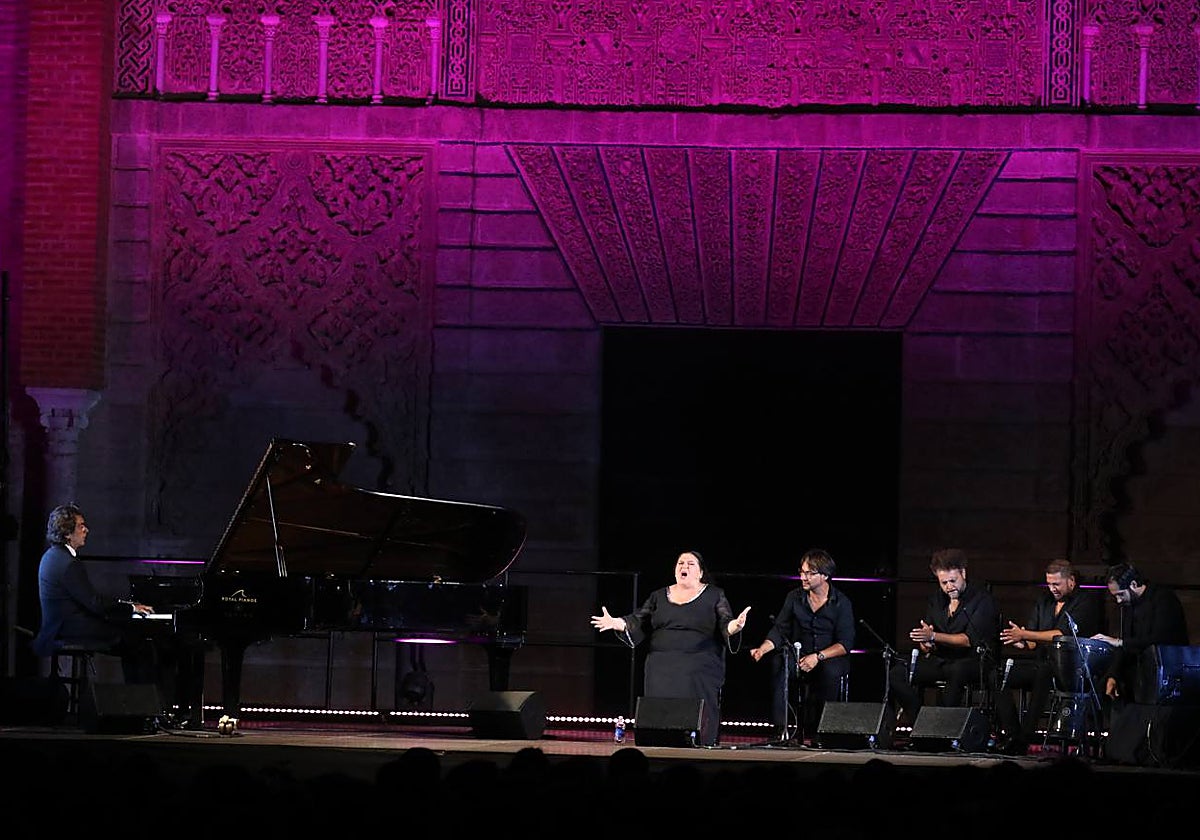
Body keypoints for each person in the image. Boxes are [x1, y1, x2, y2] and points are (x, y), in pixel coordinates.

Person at [31, 503, 204, 726]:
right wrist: (130, 608)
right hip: (72, 627)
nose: (86, 530)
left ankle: (145, 710)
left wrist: (123, 607)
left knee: (134, 640)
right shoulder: (68, 563)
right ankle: (146, 711)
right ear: (66, 532)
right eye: (81, 526)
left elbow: (89, 599)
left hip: (64, 625)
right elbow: (94, 603)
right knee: (139, 644)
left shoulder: (52, 557)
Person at [591, 550, 750, 746]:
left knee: (694, 675)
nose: (684, 566)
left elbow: (726, 623)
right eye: (680, 563)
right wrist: (619, 623)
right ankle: (659, 737)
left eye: (690, 564)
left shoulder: (714, 595)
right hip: (661, 661)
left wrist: (736, 626)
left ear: (700, 573)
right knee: (657, 674)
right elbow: (639, 619)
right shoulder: (658, 596)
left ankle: (701, 739)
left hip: (700, 659)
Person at [883, 548, 999, 746]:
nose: (948, 587)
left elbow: (967, 640)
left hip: (972, 661)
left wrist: (934, 636)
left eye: (953, 581)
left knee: (957, 670)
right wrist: (925, 642)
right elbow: (929, 633)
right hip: (941, 659)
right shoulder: (937, 599)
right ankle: (924, 724)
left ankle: (942, 729)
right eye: (944, 582)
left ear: (963, 573)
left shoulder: (982, 600)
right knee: (897, 673)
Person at [991, 558, 1105, 755]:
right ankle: (1012, 734)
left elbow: (1061, 636)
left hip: (1070, 668)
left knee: (1044, 673)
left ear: (1071, 581)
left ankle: (1024, 738)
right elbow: (1034, 639)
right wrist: (1022, 641)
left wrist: (1026, 635)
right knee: (998, 674)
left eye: (1057, 584)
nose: (1052, 588)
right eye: (1049, 584)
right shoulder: (1044, 601)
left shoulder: (1085, 601)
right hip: (1042, 662)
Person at [749, 548, 855, 744]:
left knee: (830, 672)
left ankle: (822, 731)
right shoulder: (794, 597)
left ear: (825, 575)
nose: (803, 577)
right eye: (802, 572)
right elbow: (780, 630)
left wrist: (818, 657)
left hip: (828, 656)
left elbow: (845, 643)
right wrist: (763, 648)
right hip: (799, 653)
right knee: (780, 663)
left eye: (809, 573)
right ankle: (782, 729)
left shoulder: (841, 603)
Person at [1091, 562, 1189, 704]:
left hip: (1167, 675)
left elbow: (1161, 638)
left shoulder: (1163, 598)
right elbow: (1125, 644)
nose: (1118, 600)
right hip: (1139, 674)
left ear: (1134, 584)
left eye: (1120, 594)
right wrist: (1113, 675)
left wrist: (1118, 641)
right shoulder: (1128, 605)